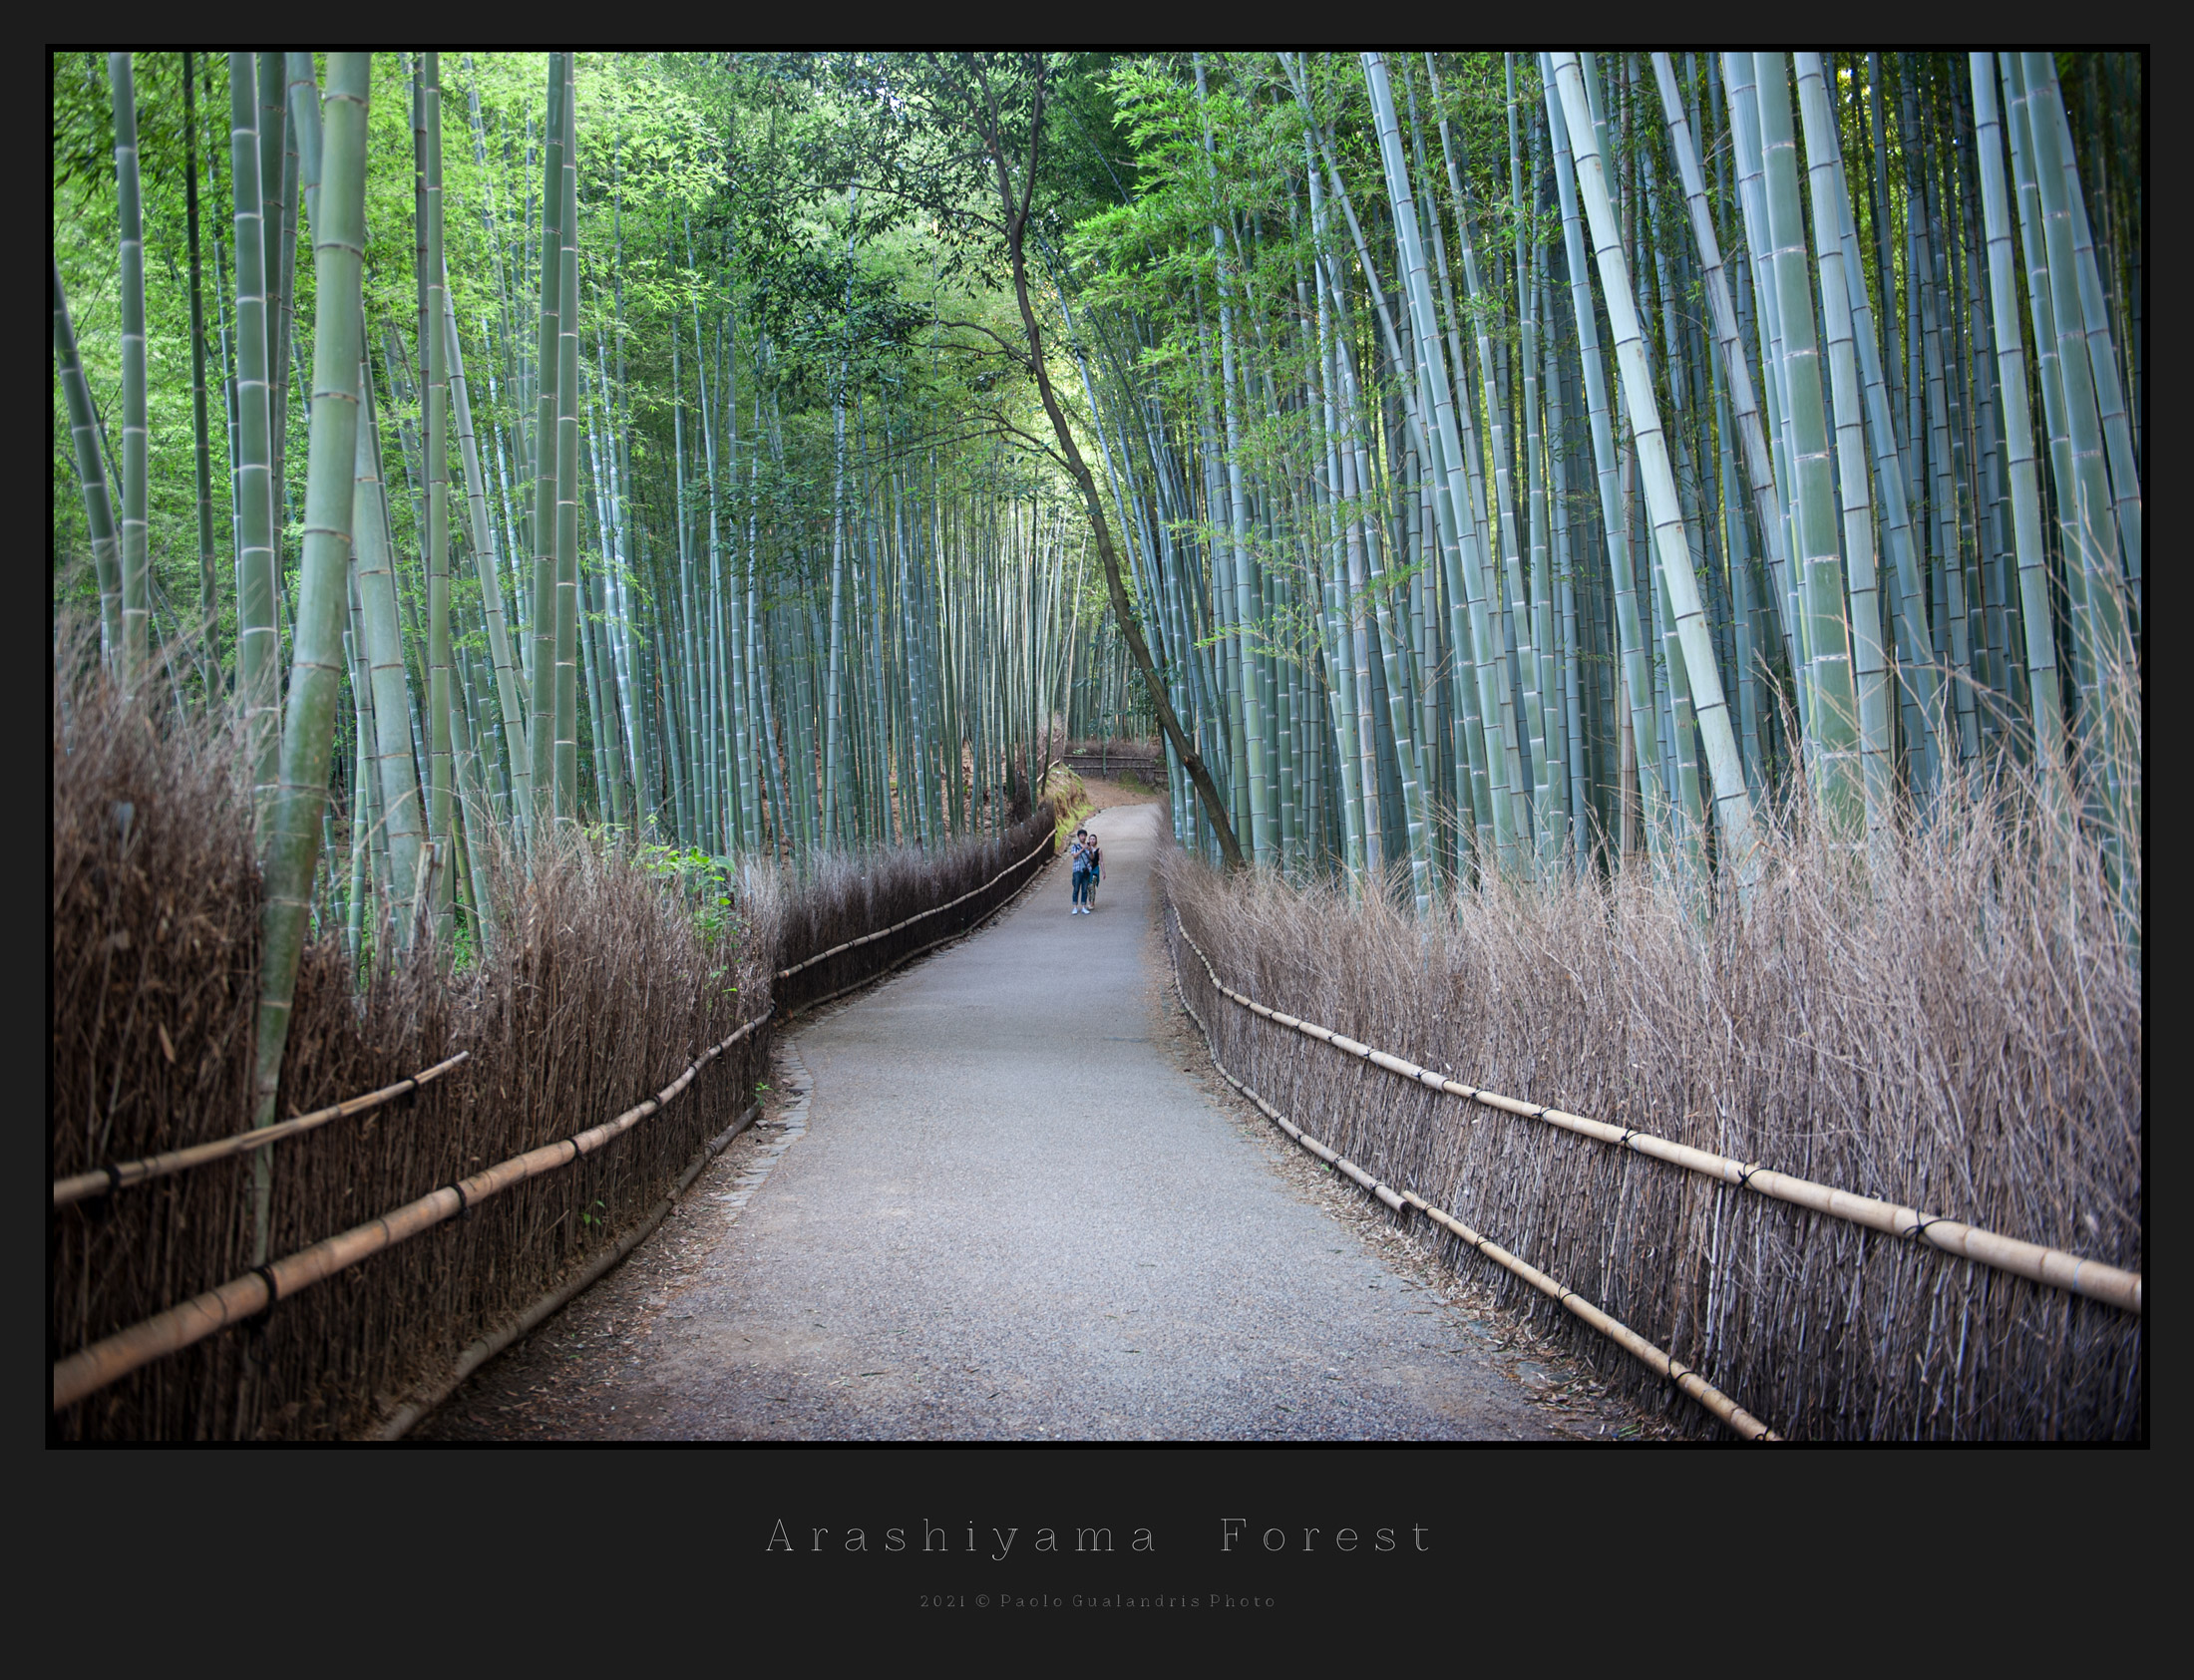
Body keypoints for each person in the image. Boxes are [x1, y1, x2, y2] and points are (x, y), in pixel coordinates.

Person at [1069, 828, 1094, 914]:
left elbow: (1092, 858)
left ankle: (1083, 906)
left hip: (1086, 870)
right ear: (1079, 837)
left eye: (1084, 836)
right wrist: (1082, 849)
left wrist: (1090, 851)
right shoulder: (1075, 846)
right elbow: (1075, 856)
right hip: (1077, 870)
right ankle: (1075, 907)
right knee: (1076, 889)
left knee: (1084, 889)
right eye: (1082, 836)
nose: (1083, 837)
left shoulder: (1088, 847)